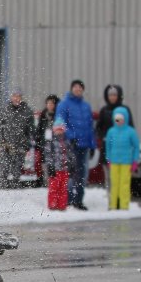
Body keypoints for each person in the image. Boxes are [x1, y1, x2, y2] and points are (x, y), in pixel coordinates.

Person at [54, 80, 96, 211]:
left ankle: (79, 200)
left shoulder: (86, 106)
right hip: (70, 145)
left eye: (80, 88)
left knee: (82, 174)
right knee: (71, 173)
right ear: (71, 89)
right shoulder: (64, 104)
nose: (78, 89)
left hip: (84, 145)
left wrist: (92, 144)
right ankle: (68, 199)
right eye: (75, 87)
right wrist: (70, 136)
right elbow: (60, 121)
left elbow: (90, 126)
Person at [103, 106, 141, 210]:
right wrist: (108, 159)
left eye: (121, 119)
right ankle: (113, 205)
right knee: (114, 184)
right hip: (114, 161)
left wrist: (135, 161)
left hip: (126, 162)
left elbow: (136, 146)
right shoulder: (111, 131)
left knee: (124, 184)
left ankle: (124, 205)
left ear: (125, 118)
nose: (119, 121)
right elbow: (108, 146)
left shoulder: (131, 131)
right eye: (116, 119)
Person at [0, 90, 37, 188]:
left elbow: (31, 130)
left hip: (20, 146)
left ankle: (15, 190)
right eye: (14, 96)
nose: (16, 98)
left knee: (16, 171)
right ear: (11, 98)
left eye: (18, 96)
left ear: (21, 98)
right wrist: (1, 141)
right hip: (6, 146)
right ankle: (2, 189)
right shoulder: (5, 110)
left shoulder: (27, 111)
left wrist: (26, 143)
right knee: (4, 170)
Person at [34, 94, 61, 186]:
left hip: (56, 146)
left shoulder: (58, 116)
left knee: (56, 166)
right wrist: (38, 142)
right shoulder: (43, 115)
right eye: (48, 103)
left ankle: (55, 184)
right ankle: (47, 183)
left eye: (52, 103)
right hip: (45, 145)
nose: (49, 105)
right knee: (45, 165)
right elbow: (39, 130)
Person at [46, 122, 72, 211]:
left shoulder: (67, 142)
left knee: (63, 188)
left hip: (64, 169)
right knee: (54, 187)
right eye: (57, 130)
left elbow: (70, 155)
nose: (59, 132)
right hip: (55, 169)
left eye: (61, 130)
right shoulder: (51, 143)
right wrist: (50, 166)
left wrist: (71, 164)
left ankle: (62, 205)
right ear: (54, 131)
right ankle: (52, 204)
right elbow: (48, 155)